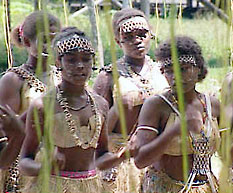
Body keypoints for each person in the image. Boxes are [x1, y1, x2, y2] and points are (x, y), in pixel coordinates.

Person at [18, 27, 127, 193]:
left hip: (92, 186)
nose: (80, 66)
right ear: (58, 62)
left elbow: (102, 154)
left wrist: (122, 156)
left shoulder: (100, 104)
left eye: (86, 59)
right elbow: (25, 161)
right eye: (71, 60)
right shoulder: (43, 105)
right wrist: (45, 167)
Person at [129, 35, 221, 193]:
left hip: (207, 187)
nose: (176, 77)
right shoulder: (156, 106)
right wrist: (172, 132)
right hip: (166, 188)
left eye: (184, 69)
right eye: (170, 71)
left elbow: (227, 154)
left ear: (198, 68)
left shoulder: (212, 105)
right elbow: (140, 161)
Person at [93, 8, 168, 192]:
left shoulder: (164, 71)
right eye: (129, 36)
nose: (137, 41)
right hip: (122, 160)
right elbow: (95, 129)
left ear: (151, 35)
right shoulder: (108, 76)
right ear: (118, 41)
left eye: (142, 34)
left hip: (160, 157)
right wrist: (119, 109)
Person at [0, 11, 61, 192]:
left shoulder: (63, 76)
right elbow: (5, 134)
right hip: (22, 167)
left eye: (55, 40)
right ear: (27, 42)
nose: (50, 46)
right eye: (45, 40)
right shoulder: (13, 80)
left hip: (59, 164)